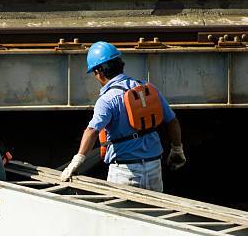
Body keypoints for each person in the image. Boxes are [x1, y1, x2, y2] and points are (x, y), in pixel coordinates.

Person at [61, 42, 186, 191]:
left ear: (99, 71)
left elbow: (92, 130)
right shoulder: (147, 89)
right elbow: (172, 121)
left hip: (124, 172)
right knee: (154, 213)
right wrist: (177, 150)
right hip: (154, 167)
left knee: (117, 213)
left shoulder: (107, 99)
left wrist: (77, 161)